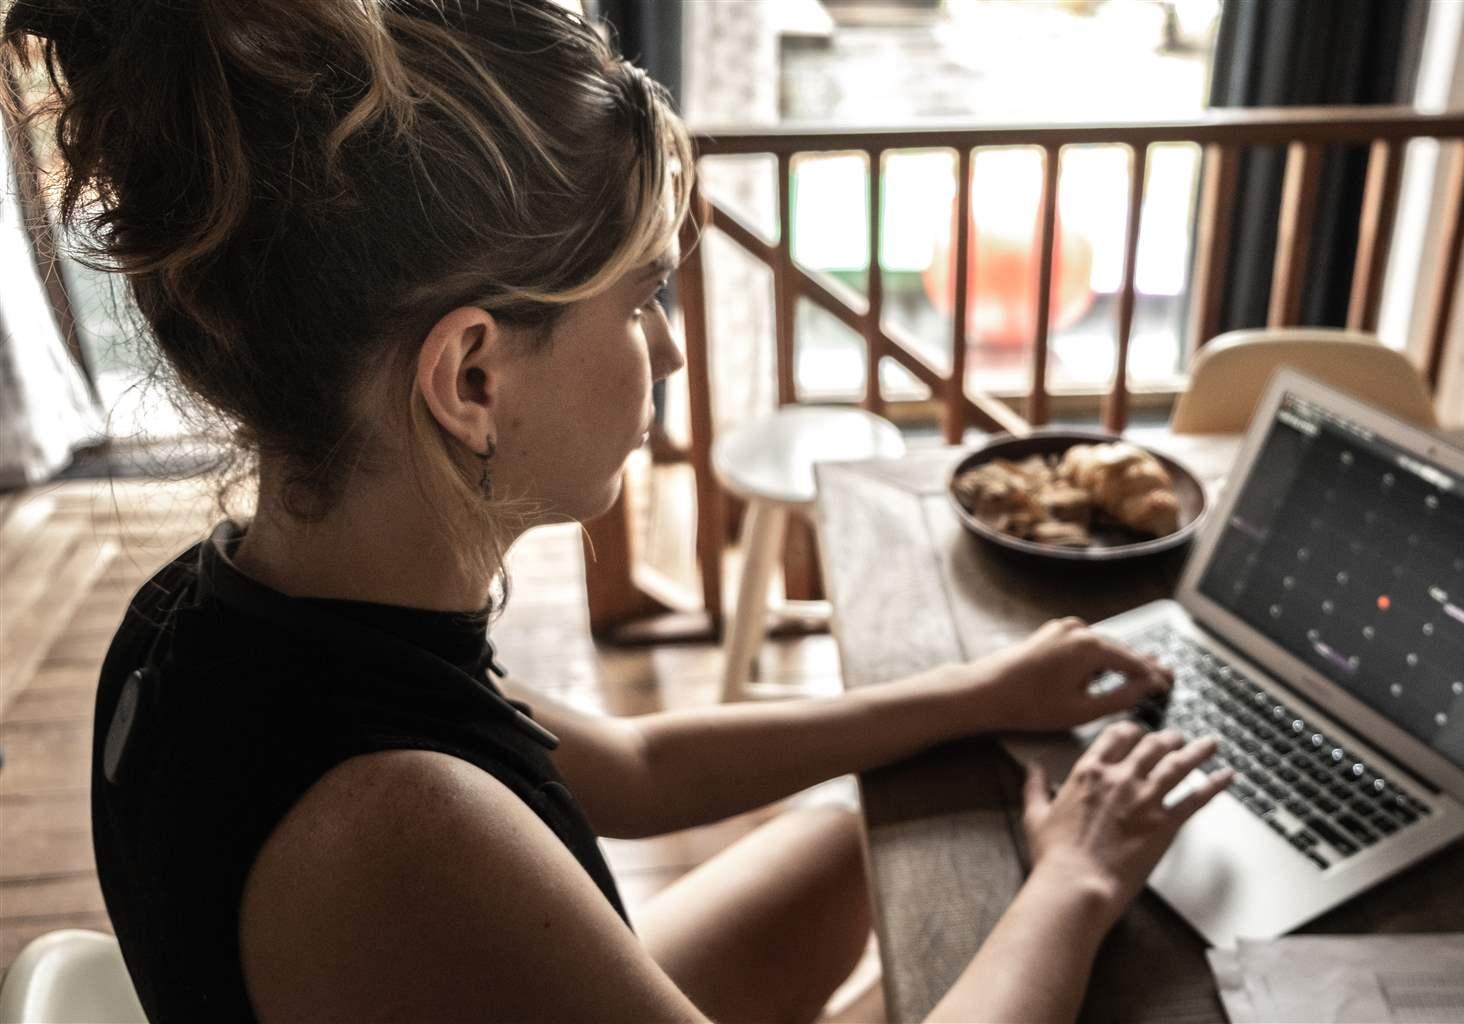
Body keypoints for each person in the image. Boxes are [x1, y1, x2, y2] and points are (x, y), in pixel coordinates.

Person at [1, 1, 1233, 1020]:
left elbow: (631, 768)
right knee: (1033, 916)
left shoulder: (219, 616)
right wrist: (1074, 877)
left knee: (876, 824)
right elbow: (465, 810)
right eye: (642, 296)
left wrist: (973, 697)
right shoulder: (398, 821)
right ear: (473, 376)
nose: (672, 353)